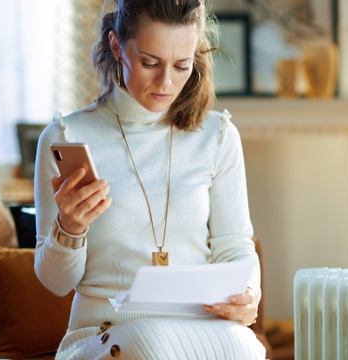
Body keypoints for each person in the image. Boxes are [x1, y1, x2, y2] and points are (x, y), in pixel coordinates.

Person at [33, 0, 265, 358]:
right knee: (150, 344)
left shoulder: (217, 135)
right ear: (116, 46)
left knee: (246, 349)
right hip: (105, 335)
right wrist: (69, 229)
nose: (166, 82)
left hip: (197, 331)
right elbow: (56, 284)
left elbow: (234, 246)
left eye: (181, 65)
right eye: (150, 63)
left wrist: (248, 294)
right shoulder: (67, 137)